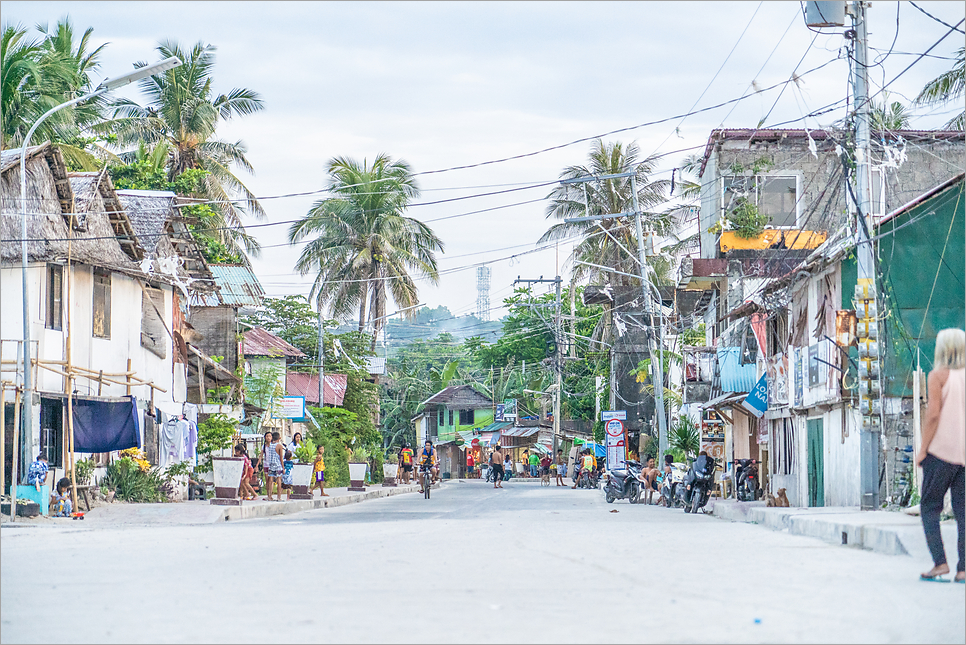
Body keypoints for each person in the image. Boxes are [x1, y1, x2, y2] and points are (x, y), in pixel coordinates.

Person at [916, 328, 966, 583]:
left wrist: (923, 448)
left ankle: (940, 563)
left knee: (929, 507)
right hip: (964, 456)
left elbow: (933, 415)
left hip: (941, 453)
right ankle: (963, 568)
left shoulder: (938, 376)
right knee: (963, 511)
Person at [263, 431, 285, 501]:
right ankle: (279, 497)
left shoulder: (270, 445)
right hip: (278, 465)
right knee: (279, 481)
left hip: (271, 464)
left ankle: (269, 496)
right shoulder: (279, 446)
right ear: (279, 438)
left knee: (270, 481)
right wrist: (283, 467)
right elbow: (281, 458)